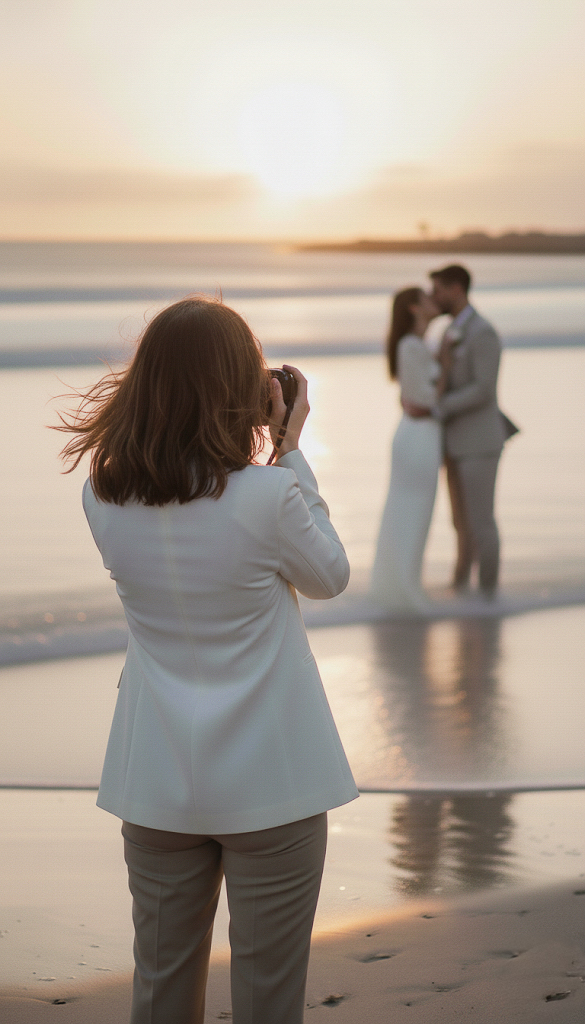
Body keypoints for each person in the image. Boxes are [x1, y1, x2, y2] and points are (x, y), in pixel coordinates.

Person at [56, 296, 358, 1024]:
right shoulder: (269, 494)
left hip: (156, 778)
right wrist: (287, 448)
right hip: (273, 783)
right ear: (237, 390)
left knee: (160, 991)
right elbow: (329, 577)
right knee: (265, 998)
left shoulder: (103, 494)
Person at [426, 264, 509, 597]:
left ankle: (488, 595)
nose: (434, 297)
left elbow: (483, 389)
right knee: (459, 524)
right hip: (454, 443)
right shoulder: (448, 331)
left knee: (481, 523)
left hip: (480, 441)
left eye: (438, 290)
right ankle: (460, 591)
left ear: (456, 288)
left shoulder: (482, 332)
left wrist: (439, 407)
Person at [370, 287, 449, 612]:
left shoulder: (416, 345)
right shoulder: (412, 345)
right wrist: (448, 365)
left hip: (421, 434)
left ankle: (405, 586)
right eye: (427, 298)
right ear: (416, 308)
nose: (434, 300)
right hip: (418, 437)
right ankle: (403, 592)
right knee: (411, 515)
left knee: (413, 514)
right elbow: (424, 399)